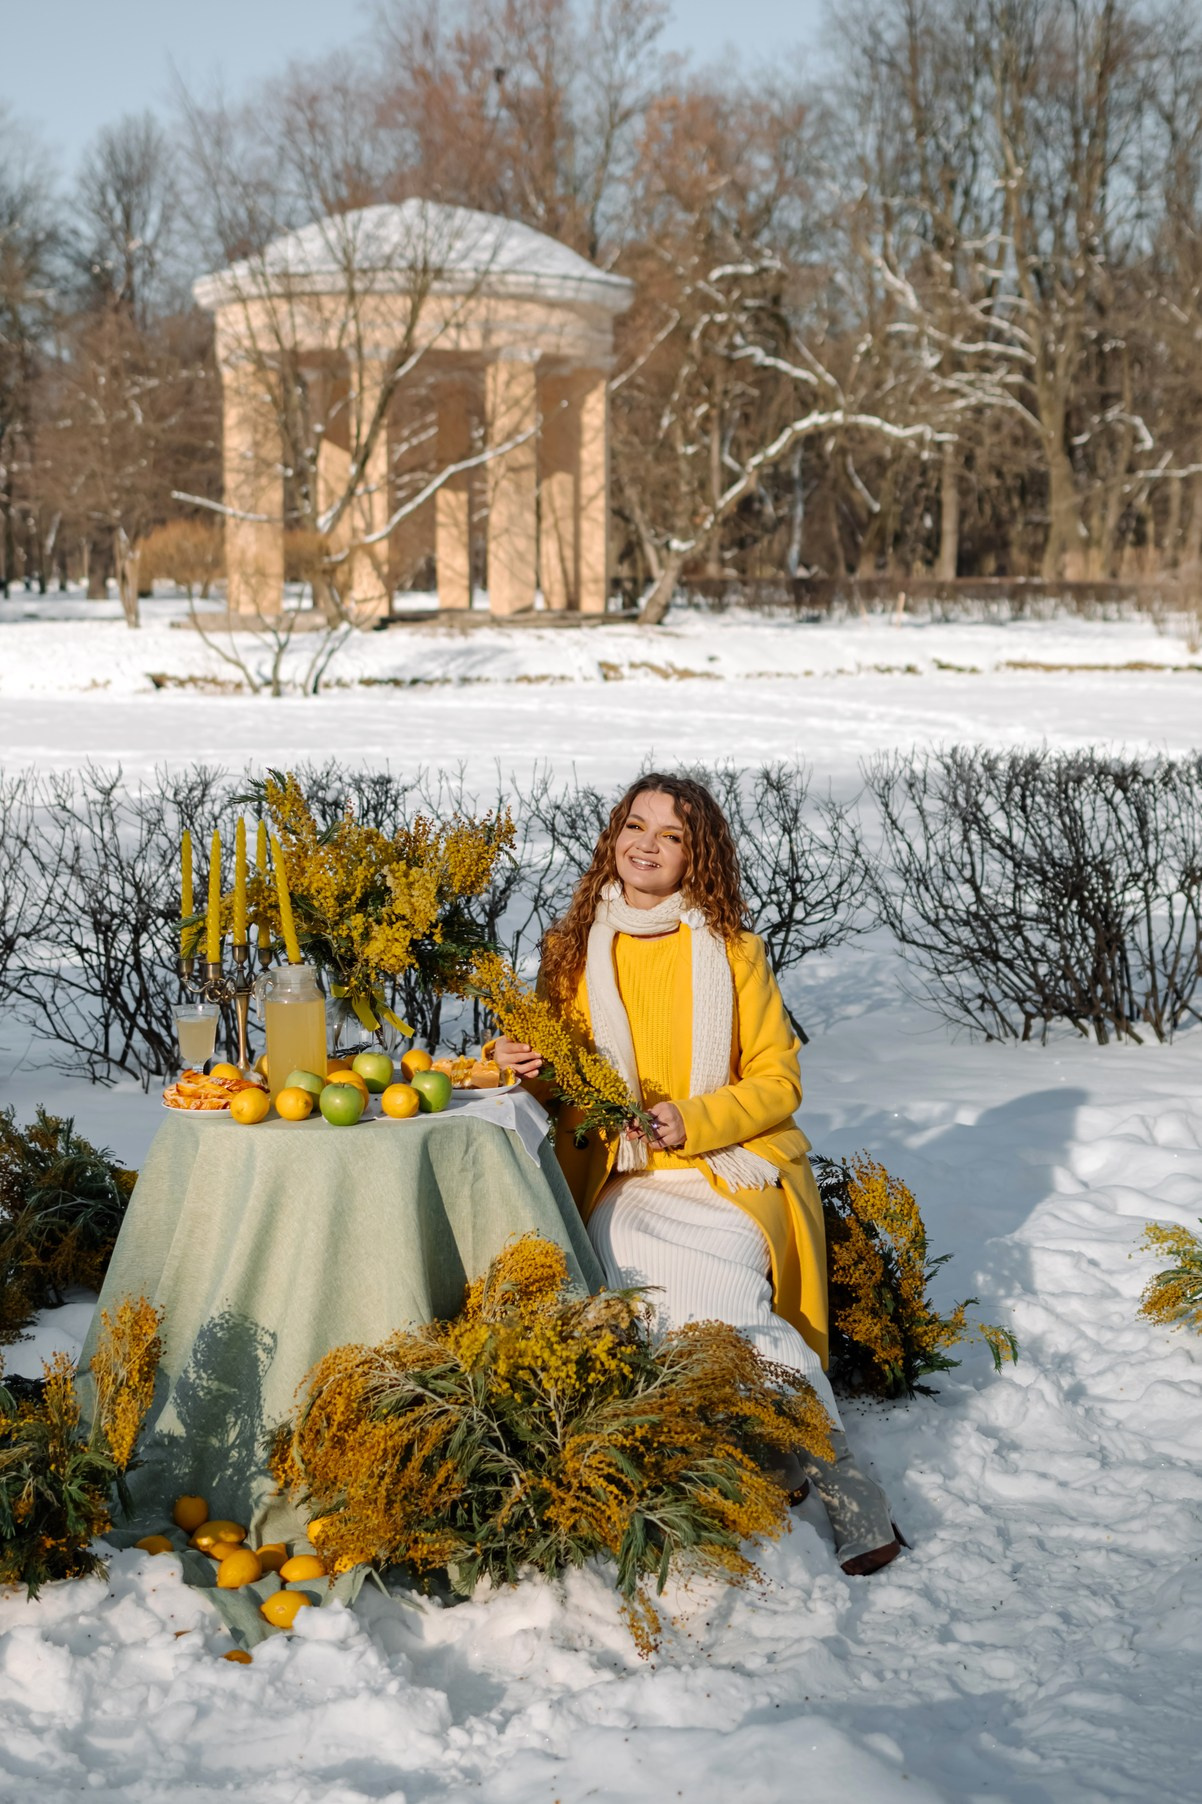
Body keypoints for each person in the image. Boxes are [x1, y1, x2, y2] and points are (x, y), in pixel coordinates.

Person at [492, 773, 903, 1576]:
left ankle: (840, 1478)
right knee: (660, 1292)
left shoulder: (735, 949)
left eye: (671, 835)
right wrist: (509, 1061)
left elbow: (779, 1082)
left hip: (730, 1171)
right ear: (614, 837)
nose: (646, 844)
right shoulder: (571, 950)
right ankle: (725, 1462)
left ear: (698, 854)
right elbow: (556, 1074)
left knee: (729, 1302)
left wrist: (697, 1117)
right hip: (628, 1183)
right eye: (633, 826)